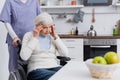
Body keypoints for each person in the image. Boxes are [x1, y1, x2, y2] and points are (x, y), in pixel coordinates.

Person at [20, 12, 68, 80]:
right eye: (45, 27)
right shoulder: (29, 36)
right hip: (37, 69)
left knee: (68, 74)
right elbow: (24, 57)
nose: (48, 30)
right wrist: (34, 37)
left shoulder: (52, 36)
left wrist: (55, 37)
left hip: (54, 66)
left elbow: (65, 53)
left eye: (50, 27)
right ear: (37, 26)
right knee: (57, 77)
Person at [0, 0, 41, 74]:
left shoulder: (34, 2)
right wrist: (14, 37)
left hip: (32, 40)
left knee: (33, 66)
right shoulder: (10, 1)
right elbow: (6, 21)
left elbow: (40, 19)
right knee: (15, 67)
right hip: (16, 41)